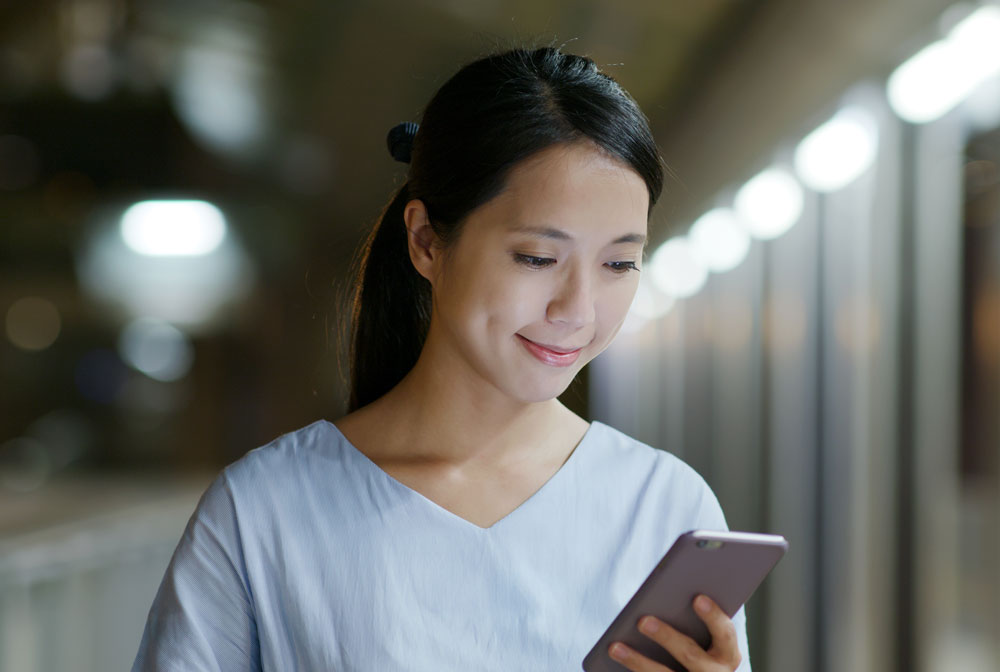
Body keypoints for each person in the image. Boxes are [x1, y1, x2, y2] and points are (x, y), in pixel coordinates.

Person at [131, 45, 750, 672]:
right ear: (426, 241)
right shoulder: (265, 511)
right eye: (537, 258)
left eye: (619, 263)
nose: (578, 310)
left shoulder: (666, 511)